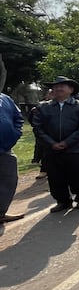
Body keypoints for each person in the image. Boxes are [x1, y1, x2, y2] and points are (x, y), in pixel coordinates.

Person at [31, 76, 79, 212]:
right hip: (51, 149)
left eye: (62, 86)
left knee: (78, 175)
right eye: (55, 86)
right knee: (56, 177)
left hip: (75, 149)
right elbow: (38, 128)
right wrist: (52, 143)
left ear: (71, 89)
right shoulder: (43, 107)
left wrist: (66, 142)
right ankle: (63, 201)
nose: (58, 88)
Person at [0, 92, 25, 223]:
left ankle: (0, 212)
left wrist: (14, 135)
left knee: (8, 179)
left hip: (5, 148)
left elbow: (18, 118)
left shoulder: (4, 98)